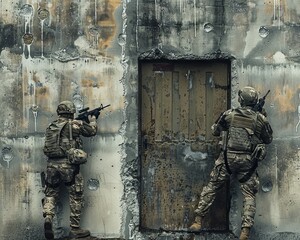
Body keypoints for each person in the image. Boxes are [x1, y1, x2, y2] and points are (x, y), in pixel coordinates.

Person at [188, 86, 273, 240]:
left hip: (227, 159)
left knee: (212, 187)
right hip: (248, 162)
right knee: (249, 196)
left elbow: (215, 131)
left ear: (241, 100)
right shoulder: (260, 119)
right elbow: (268, 139)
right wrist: (261, 115)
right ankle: (245, 232)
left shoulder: (229, 114)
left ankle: (198, 222)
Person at [42, 100, 98, 239]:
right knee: (76, 196)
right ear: (71, 111)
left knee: (51, 193)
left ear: (59, 112)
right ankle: (75, 229)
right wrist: (93, 120)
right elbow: (91, 131)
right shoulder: (74, 124)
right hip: (68, 167)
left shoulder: (51, 126)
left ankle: (48, 217)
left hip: (51, 166)